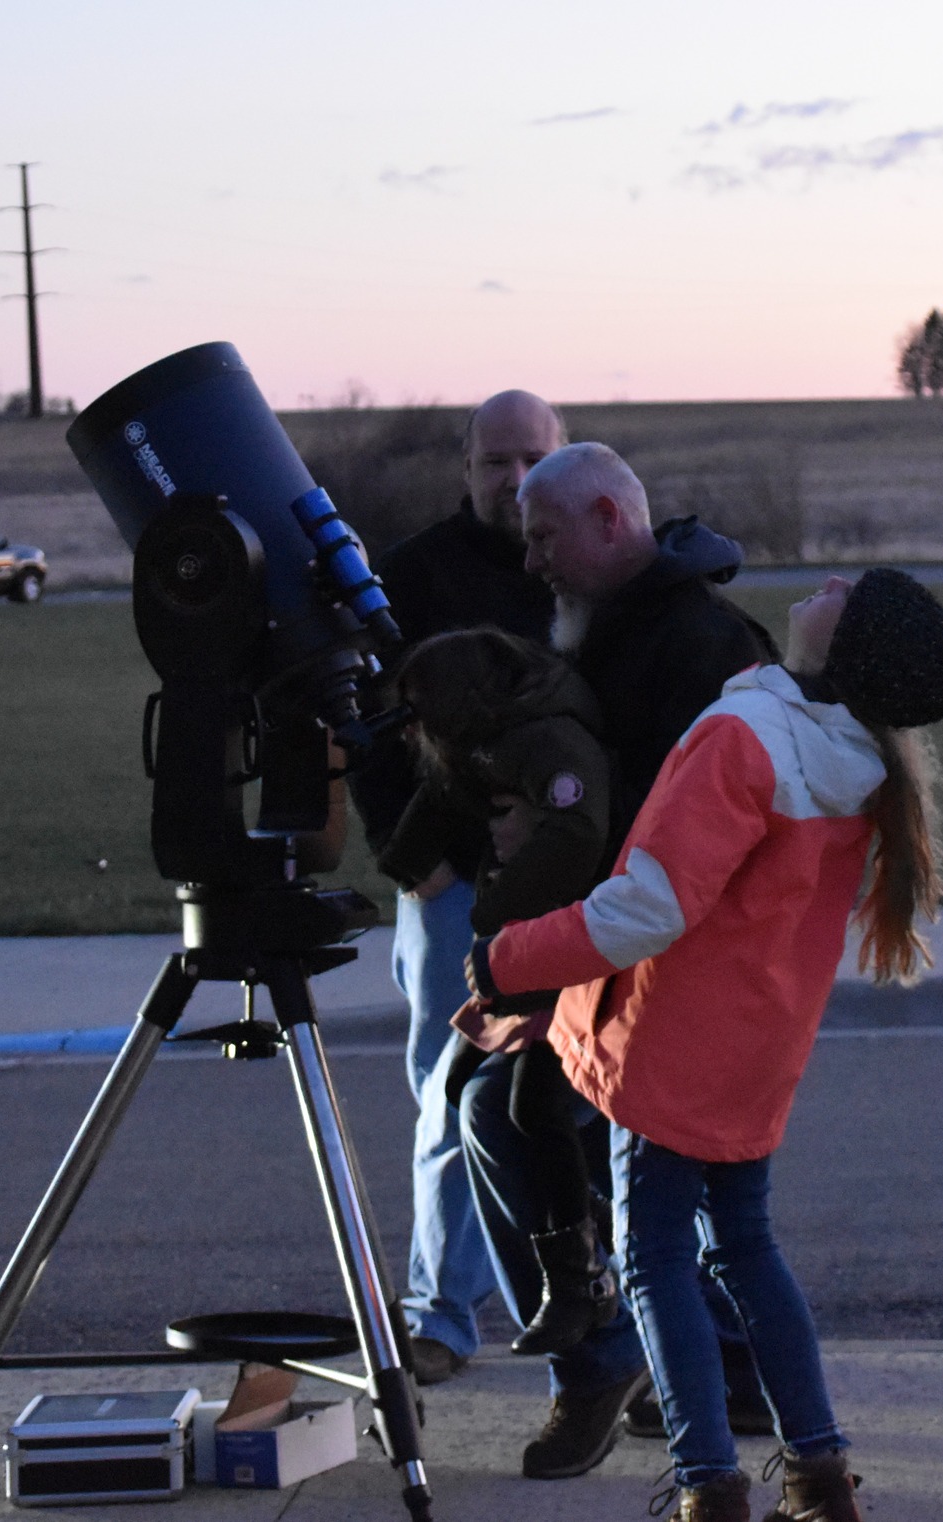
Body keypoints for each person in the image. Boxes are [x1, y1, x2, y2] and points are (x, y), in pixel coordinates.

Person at [466, 567, 943, 1521]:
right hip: (752, 1057)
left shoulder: (750, 740)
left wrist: (508, 958)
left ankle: (707, 1484)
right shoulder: (850, 759)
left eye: (846, 599)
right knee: (744, 1249)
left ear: (845, 654)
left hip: (670, 1057)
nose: (826, 585)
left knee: (655, 1267)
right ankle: (816, 1473)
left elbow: (649, 906)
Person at [458, 441, 781, 1480]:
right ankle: (724, 1370)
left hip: (672, 972)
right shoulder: (629, 630)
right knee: (657, 1182)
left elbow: (651, 855)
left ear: (607, 519)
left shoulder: (695, 647)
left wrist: (535, 976)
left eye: (544, 536)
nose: (533, 561)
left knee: (502, 1119)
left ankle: (597, 1361)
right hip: (630, 958)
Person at [349, 389, 563, 1386]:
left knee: (577, 1101)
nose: (513, 479)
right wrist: (414, 856)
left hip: (567, 887)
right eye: (494, 461)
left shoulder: (578, 566)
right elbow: (362, 719)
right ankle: (438, 1312)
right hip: (450, 889)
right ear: (465, 467)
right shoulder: (415, 575)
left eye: (532, 459)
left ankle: (592, 1301)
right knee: (447, 1091)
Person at [383, 627, 619, 1357]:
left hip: (563, 960)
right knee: (457, 1089)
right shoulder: (496, 745)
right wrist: (403, 862)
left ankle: (579, 1275)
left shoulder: (548, 744)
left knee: (532, 1104)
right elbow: (439, 798)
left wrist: (496, 918)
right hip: (529, 960)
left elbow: (578, 835)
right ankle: (579, 1259)